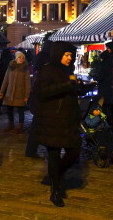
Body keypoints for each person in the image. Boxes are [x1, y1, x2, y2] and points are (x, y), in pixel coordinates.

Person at [33, 41, 82, 207]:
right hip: (52, 119)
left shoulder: (69, 70)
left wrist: (79, 88)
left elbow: (70, 92)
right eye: (67, 55)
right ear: (58, 54)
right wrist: (66, 86)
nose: (70, 58)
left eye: (71, 55)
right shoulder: (47, 70)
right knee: (53, 156)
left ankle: (57, 175)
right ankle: (55, 190)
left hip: (68, 119)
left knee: (74, 151)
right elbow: (43, 92)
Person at [0, 51, 31, 134]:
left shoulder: (25, 69)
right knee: (9, 109)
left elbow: (27, 83)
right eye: (20, 57)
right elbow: (5, 81)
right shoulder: (10, 68)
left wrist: (27, 95)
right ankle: (11, 125)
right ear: (16, 58)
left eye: (23, 58)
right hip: (10, 93)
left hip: (20, 94)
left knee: (21, 111)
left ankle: (20, 127)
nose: (21, 59)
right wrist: (1, 92)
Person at [92, 42, 113, 125]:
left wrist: (95, 77)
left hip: (104, 89)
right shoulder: (111, 65)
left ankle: (105, 125)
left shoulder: (104, 66)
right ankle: (109, 124)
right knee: (107, 108)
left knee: (104, 107)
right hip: (110, 88)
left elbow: (100, 77)